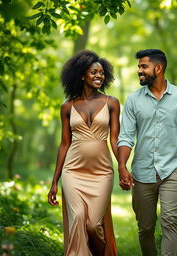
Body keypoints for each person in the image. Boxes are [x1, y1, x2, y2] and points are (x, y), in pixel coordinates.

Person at [117, 49, 177, 256]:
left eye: (143, 66)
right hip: (142, 172)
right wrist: (122, 166)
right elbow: (126, 137)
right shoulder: (133, 100)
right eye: (139, 67)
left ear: (159, 68)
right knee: (145, 228)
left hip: (172, 170)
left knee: (170, 222)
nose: (139, 71)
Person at [47, 50, 120, 256]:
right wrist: (55, 181)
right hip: (73, 171)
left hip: (102, 171)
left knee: (93, 225)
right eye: (93, 72)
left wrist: (123, 167)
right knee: (78, 217)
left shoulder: (112, 102)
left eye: (102, 73)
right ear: (81, 75)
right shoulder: (67, 107)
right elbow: (64, 144)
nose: (99, 76)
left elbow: (115, 139)